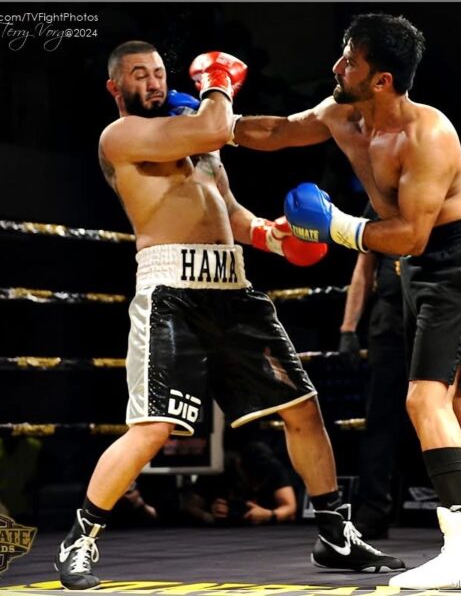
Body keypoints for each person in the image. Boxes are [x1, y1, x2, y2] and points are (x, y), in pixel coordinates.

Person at [232, 13, 461, 589]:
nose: (336, 67)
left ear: (382, 80)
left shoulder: (427, 135)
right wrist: (210, 121)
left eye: (350, 61)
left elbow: (412, 235)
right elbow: (277, 132)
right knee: (459, 407)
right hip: (423, 272)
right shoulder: (342, 114)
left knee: (424, 400)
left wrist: (335, 225)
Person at [54, 40, 403, 590]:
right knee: (153, 428)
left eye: (159, 72)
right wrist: (218, 81)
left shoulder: (195, 132)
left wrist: (273, 237)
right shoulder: (122, 136)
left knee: (303, 408)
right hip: (171, 291)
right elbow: (218, 125)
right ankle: (80, 539)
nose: (153, 81)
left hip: (232, 289)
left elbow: (230, 212)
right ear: (115, 87)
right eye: (139, 74)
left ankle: (336, 534)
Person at [338, 203, 407, 540]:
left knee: (455, 410)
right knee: (380, 418)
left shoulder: (442, 186)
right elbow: (363, 267)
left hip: (439, 312)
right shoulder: (377, 201)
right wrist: (348, 328)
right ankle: (374, 512)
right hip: (390, 320)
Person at [183, 441, 297, 526]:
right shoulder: (220, 469)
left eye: (259, 481)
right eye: (252, 479)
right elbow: (190, 505)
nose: (255, 487)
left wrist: (269, 515)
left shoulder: (273, 468)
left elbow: (290, 507)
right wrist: (208, 515)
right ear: (239, 466)